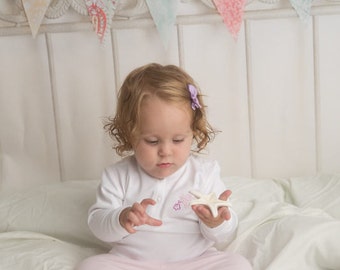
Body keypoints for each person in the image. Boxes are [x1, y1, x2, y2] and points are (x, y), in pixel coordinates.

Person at [76, 63, 252, 270]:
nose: (166, 151)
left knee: (237, 264)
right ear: (130, 135)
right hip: (131, 262)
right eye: (152, 141)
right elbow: (98, 224)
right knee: (90, 266)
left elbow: (224, 233)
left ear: (193, 132)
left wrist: (216, 223)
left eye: (178, 140)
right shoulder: (118, 175)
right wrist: (120, 218)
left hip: (195, 261)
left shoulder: (204, 173)